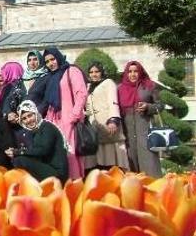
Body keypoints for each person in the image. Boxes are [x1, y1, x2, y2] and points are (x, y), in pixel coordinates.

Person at [42, 47, 88, 180]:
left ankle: (75, 185)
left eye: (53, 59)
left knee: (70, 152)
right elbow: (49, 101)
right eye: (47, 61)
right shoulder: (50, 77)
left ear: (59, 57)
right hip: (54, 120)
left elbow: (81, 93)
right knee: (58, 152)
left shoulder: (71, 71)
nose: (51, 63)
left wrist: (74, 115)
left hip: (69, 120)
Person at [118, 61, 163, 177]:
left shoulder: (149, 86)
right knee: (130, 169)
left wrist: (148, 107)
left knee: (150, 165)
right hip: (127, 135)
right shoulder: (119, 89)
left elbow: (160, 106)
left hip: (145, 132)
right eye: (130, 71)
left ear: (140, 72)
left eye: (136, 71)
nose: (132, 74)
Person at [7, 100, 69, 182]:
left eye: (30, 115)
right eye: (24, 118)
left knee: (20, 160)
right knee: (18, 159)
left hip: (58, 173)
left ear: (36, 113)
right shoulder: (35, 131)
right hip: (48, 168)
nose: (28, 120)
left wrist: (18, 152)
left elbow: (43, 150)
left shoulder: (47, 127)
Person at [84, 62, 128, 171]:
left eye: (97, 72)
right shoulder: (88, 87)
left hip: (108, 125)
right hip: (95, 128)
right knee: (98, 161)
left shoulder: (108, 83)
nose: (94, 74)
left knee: (112, 158)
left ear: (101, 72)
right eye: (91, 72)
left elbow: (113, 101)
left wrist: (113, 120)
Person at [22, 50, 50, 115]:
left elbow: (47, 99)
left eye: (35, 59)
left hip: (40, 116)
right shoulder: (22, 79)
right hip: (23, 118)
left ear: (40, 60)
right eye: (29, 60)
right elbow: (11, 98)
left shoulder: (46, 77)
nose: (32, 63)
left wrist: (36, 112)